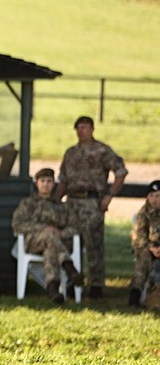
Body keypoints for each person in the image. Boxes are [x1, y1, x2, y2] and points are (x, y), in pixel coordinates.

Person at [56, 115, 128, 299]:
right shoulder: (70, 153)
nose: (82, 131)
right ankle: (72, 282)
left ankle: (96, 285)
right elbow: (63, 180)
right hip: (72, 203)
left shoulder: (102, 150)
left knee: (94, 244)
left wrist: (109, 195)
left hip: (92, 202)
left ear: (92, 129)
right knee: (69, 242)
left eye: (85, 127)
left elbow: (120, 172)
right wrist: (56, 201)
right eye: (79, 128)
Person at [12, 168, 84, 303]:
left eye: (49, 181)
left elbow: (75, 227)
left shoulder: (62, 206)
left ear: (53, 184)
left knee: (50, 248)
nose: (45, 184)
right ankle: (69, 268)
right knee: (49, 234)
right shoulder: (28, 203)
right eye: (42, 181)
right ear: (37, 183)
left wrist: (60, 233)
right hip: (34, 243)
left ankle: (53, 290)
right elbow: (18, 225)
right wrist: (43, 228)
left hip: (56, 242)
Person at [128, 179, 160, 308]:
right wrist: (152, 248)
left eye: (157, 196)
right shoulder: (143, 214)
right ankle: (135, 293)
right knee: (143, 256)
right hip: (149, 248)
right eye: (151, 196)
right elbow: (138, 237)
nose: (154, 200)